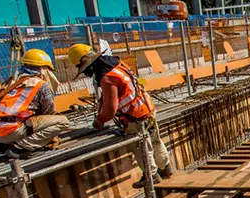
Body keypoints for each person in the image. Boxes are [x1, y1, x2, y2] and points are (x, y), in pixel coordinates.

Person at [67, 43, 173, 184]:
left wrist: (100, 120)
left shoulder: (107, 78)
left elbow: (111, 108)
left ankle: (151, 175)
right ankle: (165, 167)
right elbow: (111, 95)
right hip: (146, 109)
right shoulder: (117, 65)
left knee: (141, 146)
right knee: (155, 140)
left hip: (134, 117)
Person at [0, 49, 70, 155]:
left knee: (23, 118)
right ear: (43, 69)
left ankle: (0, 146)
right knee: (62, 121)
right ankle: (21, 147)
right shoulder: (40, 84)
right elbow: (48, 112)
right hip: (10, 132)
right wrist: (49, 137)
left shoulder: (11, 81)